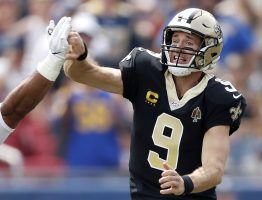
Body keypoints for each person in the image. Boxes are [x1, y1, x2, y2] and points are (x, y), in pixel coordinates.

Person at [64, 8, 246, 200]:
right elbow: (84, 74)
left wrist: (186, 182)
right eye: (175, 40)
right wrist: (80, 56)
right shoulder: (146, 71)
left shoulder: (217, 96)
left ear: (209, 49)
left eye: (189, 42)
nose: (178, 47)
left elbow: (214, 169)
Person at [0, 16, 71, 144]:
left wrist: (54, 60)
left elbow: (12, 111)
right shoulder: (5, 66)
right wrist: (54, 60)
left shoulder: (26, 65)